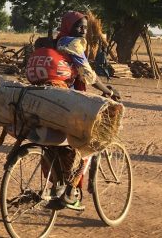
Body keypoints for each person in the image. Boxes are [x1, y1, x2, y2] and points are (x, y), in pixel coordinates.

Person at [24, 11, 121, 211]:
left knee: (56, 145)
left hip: (45, 96)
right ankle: (70, 191)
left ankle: (59, 188)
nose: (83, 31)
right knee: (86, 143)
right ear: (68, 27)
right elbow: (87, 74)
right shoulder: (73, 43)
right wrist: (107, 90)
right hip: (65, 99)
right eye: (79, 26)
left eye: (85, 27)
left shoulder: (55, 41)